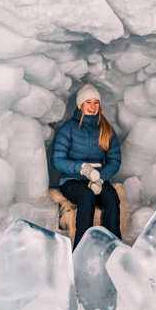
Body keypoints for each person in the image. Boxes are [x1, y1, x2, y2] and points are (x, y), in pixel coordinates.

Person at [52, 84, 122, 248]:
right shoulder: (68, 128)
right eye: (88, 102)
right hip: (71, 180)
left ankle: (115, 247)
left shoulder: (106, 129)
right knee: (86, 197)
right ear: (80, 105)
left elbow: (114, 160)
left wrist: (100, 178)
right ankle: (82, 250)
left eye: (96, 102)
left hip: (97, 179)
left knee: (111, 198)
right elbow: (57, 160)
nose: (92, 106)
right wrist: (82, 168)